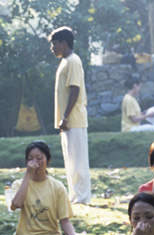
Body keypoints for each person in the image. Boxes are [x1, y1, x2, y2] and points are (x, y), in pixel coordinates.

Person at [0, 140, 84, 235]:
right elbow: (17, 204)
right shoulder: (19, 184)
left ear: (48, 160)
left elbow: (65, 220)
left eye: (39, 158)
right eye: (31, 159)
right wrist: (28, 175)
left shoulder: (58, 187)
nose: (35, 163)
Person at [50, 26, 90, 204]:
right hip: (66, 121)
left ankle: (82, 198)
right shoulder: (65, 61)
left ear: (64, 43)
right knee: (71, 161)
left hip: (74, 119)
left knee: (78, 162)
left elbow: (75, 89)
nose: (52, 48)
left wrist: (65, 116)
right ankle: (74, 196)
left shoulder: (73, 61)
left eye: (54, 44)